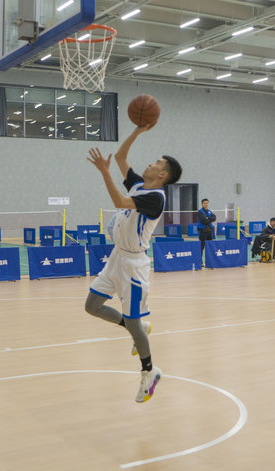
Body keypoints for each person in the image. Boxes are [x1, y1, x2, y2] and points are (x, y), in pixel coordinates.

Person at [83, 124, 182, 403]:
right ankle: (132, 326)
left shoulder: (155, 198)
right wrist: (138, 130)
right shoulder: (139, 184)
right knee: (92, 306)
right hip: (117, 257)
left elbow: (119, 200)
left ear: (162, 175)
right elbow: (121, 157)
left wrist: (104, 172)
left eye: (157, 163)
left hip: (134, 267)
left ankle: (150, 372)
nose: (151, 163)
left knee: (135, 323)